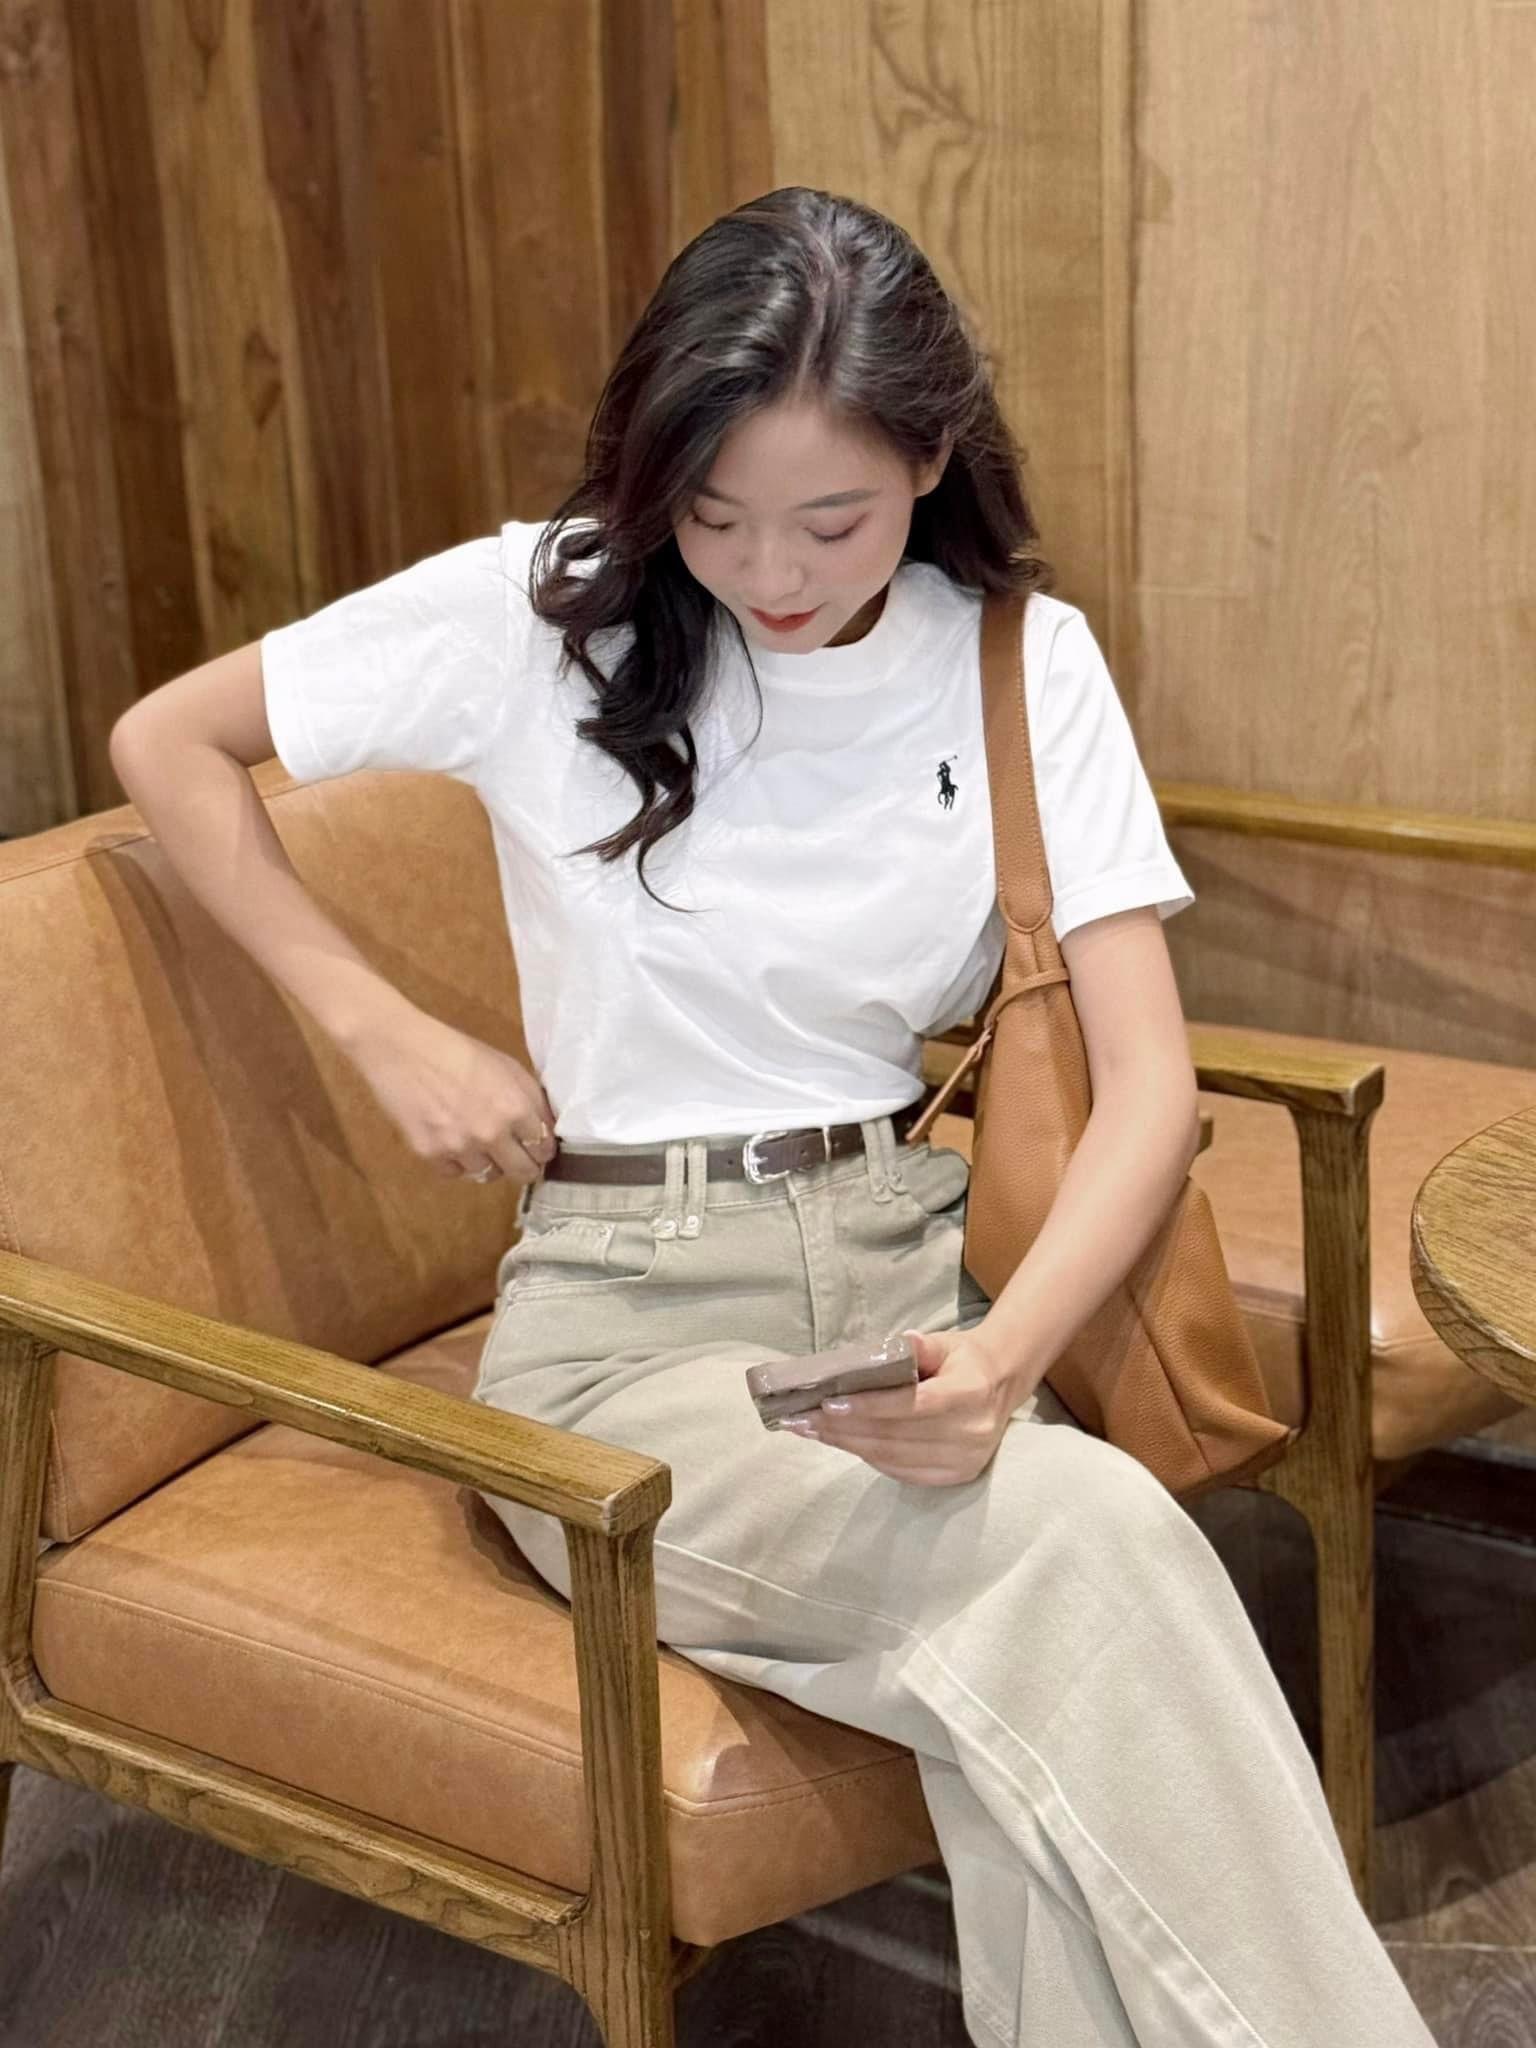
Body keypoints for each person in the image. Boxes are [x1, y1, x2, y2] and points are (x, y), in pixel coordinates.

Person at [117, 187, 1434, 2048]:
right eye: (713, 513)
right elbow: (167, 742)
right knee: (1092, 1548)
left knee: (1035, 1699)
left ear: (932, 457)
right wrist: (383, 1031)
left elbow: (1147, 1087)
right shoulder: (538, 610)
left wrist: (1002, 1365)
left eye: (833, 519)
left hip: (921, 1296)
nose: (768, 570)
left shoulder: (1018, 657)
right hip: (625, 1336)